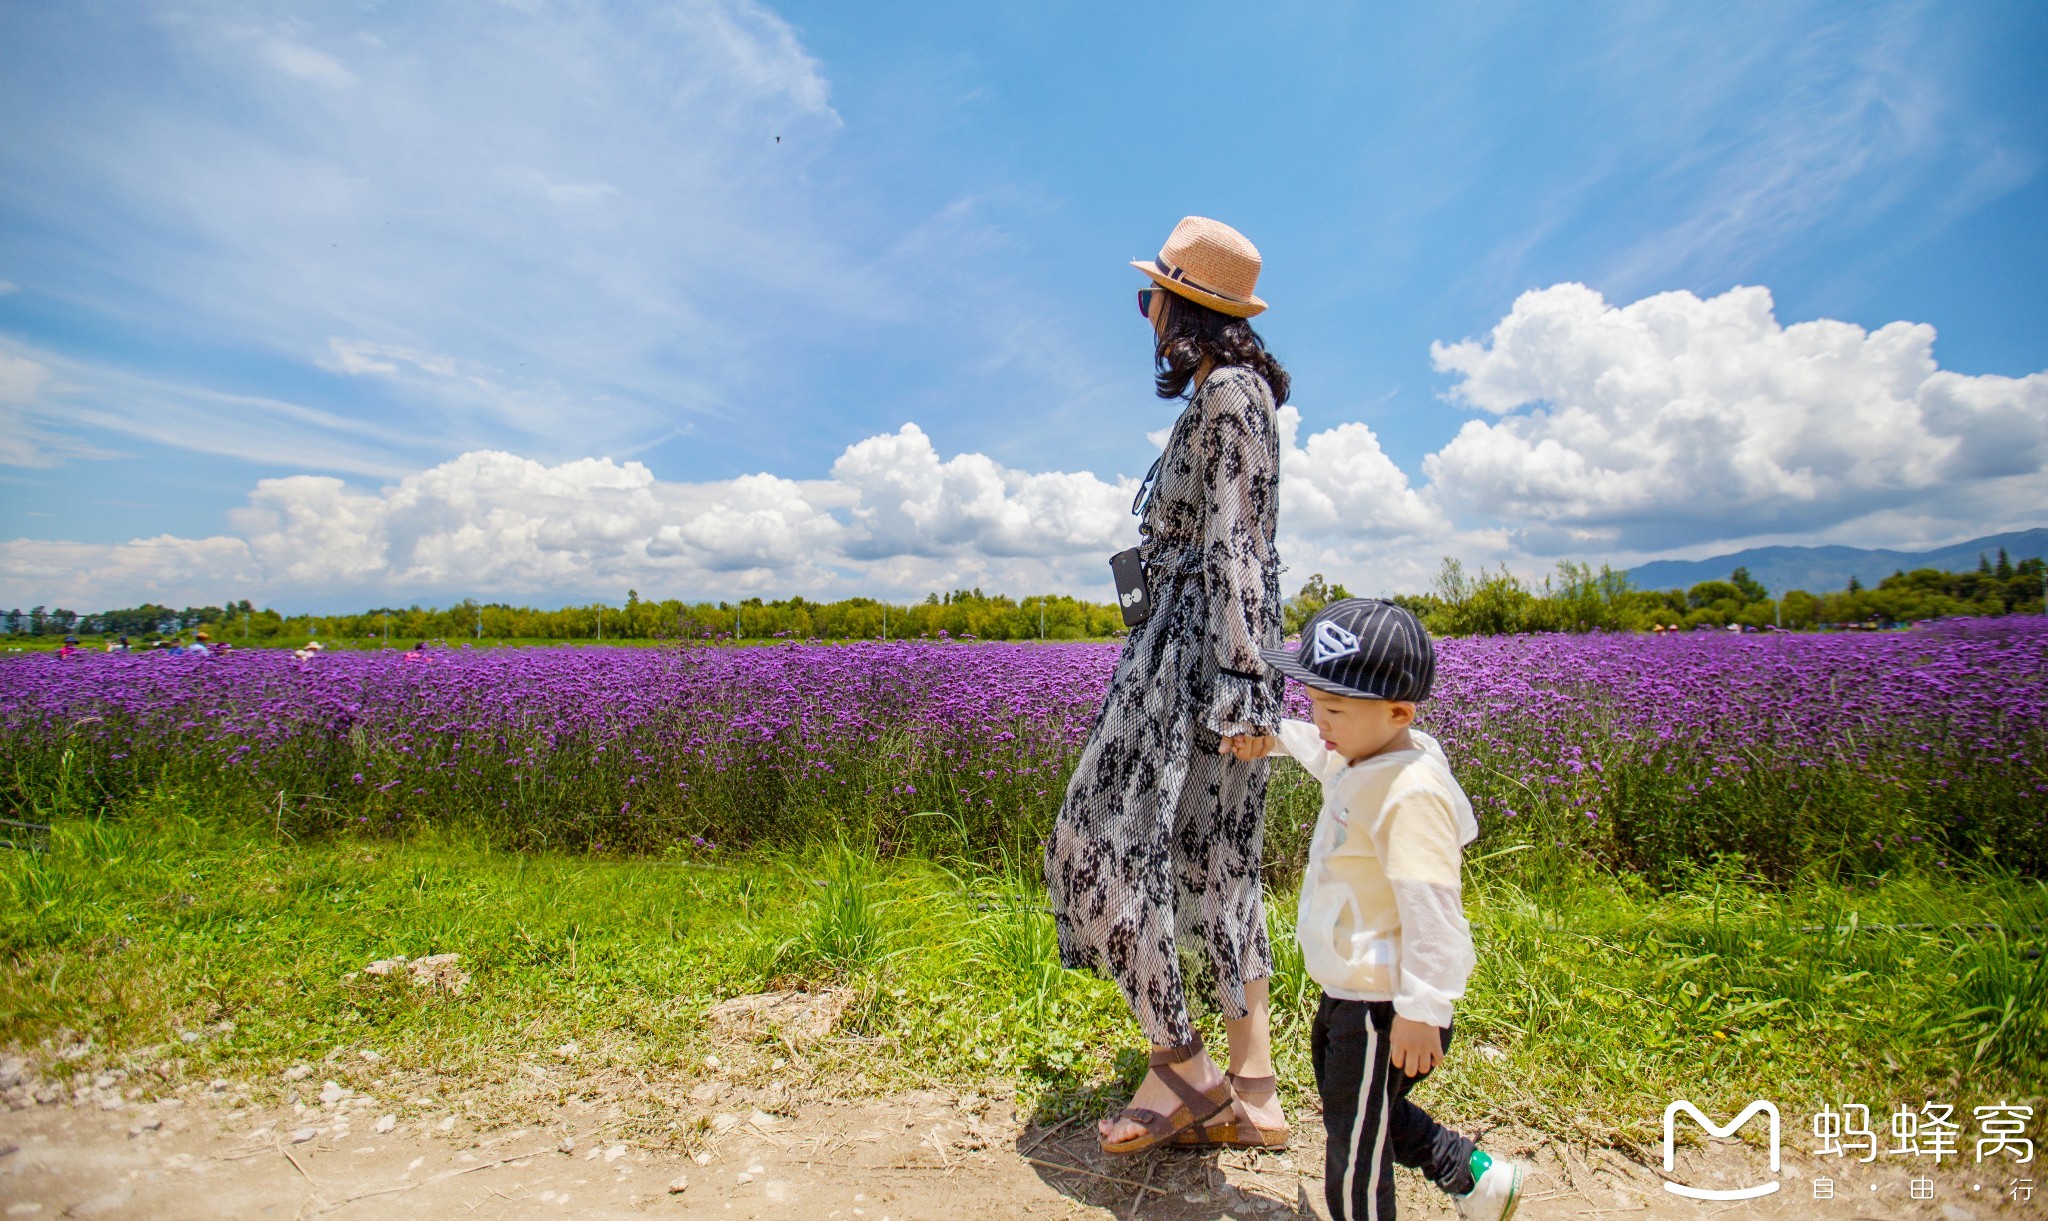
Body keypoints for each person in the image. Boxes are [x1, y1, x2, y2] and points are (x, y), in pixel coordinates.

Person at [1045, 216, 1291, 1155]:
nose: (1143, 310)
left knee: (1092, 839)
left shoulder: (1228, 395)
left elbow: (1239, 542)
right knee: (1214, 856)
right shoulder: (1232, 394)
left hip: (1193, 657)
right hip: (1211, 652)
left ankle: (1181, 1066)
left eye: (1151, 295)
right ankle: (1254, 1087)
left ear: (1182, 306)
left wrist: (1240, 681)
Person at [1226, 599, 1527, 1220]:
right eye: (1312, 702)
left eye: (1333, 707)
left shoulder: (1409, 793)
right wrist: (1274, 735)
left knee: (1353, 1153)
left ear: (1398, 713)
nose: (1320, 719)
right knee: (1359, 1115)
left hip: (1387, 1005)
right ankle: (1472, 1175)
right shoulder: (1362, 751)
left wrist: (1423, 1010)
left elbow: (1435, 914)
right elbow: (1321, 747)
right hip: (1351, 991)